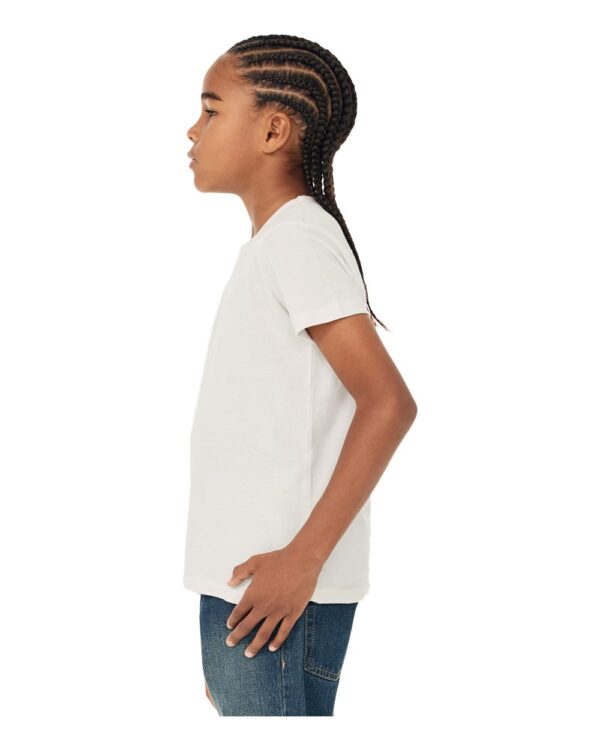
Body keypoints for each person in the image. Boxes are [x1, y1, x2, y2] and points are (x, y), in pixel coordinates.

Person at [183, 33, 418, 716]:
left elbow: (388, 402)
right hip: (254, 593)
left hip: (278, 591)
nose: (193, 130)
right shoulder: (277, 244)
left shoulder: (297, 238)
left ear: (274, 130)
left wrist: (302, 561)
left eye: (211, 110)